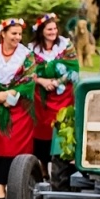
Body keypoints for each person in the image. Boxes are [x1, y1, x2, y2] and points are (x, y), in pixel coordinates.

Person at [0, 17, 37, 199]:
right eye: (14, 33)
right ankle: (1, 185)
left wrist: (12, 93)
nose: (17, 37)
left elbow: (29, 81)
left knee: (18, 145)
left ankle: (22, 182)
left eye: (20, 34)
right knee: (1, 145)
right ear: (3, 34)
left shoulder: (27, 55)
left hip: (20, 109)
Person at [28, 13, 78, 166]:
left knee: (61, 126)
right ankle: (43, 166)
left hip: (63, 97)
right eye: (49, 29)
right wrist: (42, 81)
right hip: (41, 98)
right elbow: (27, 71)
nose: (53, 32)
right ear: (41, 31)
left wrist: (56, 82)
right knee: (42, 129)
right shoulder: (32, 49)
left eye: (55, 28)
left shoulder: (66, 45)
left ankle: (63, 162)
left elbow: (73, 69)